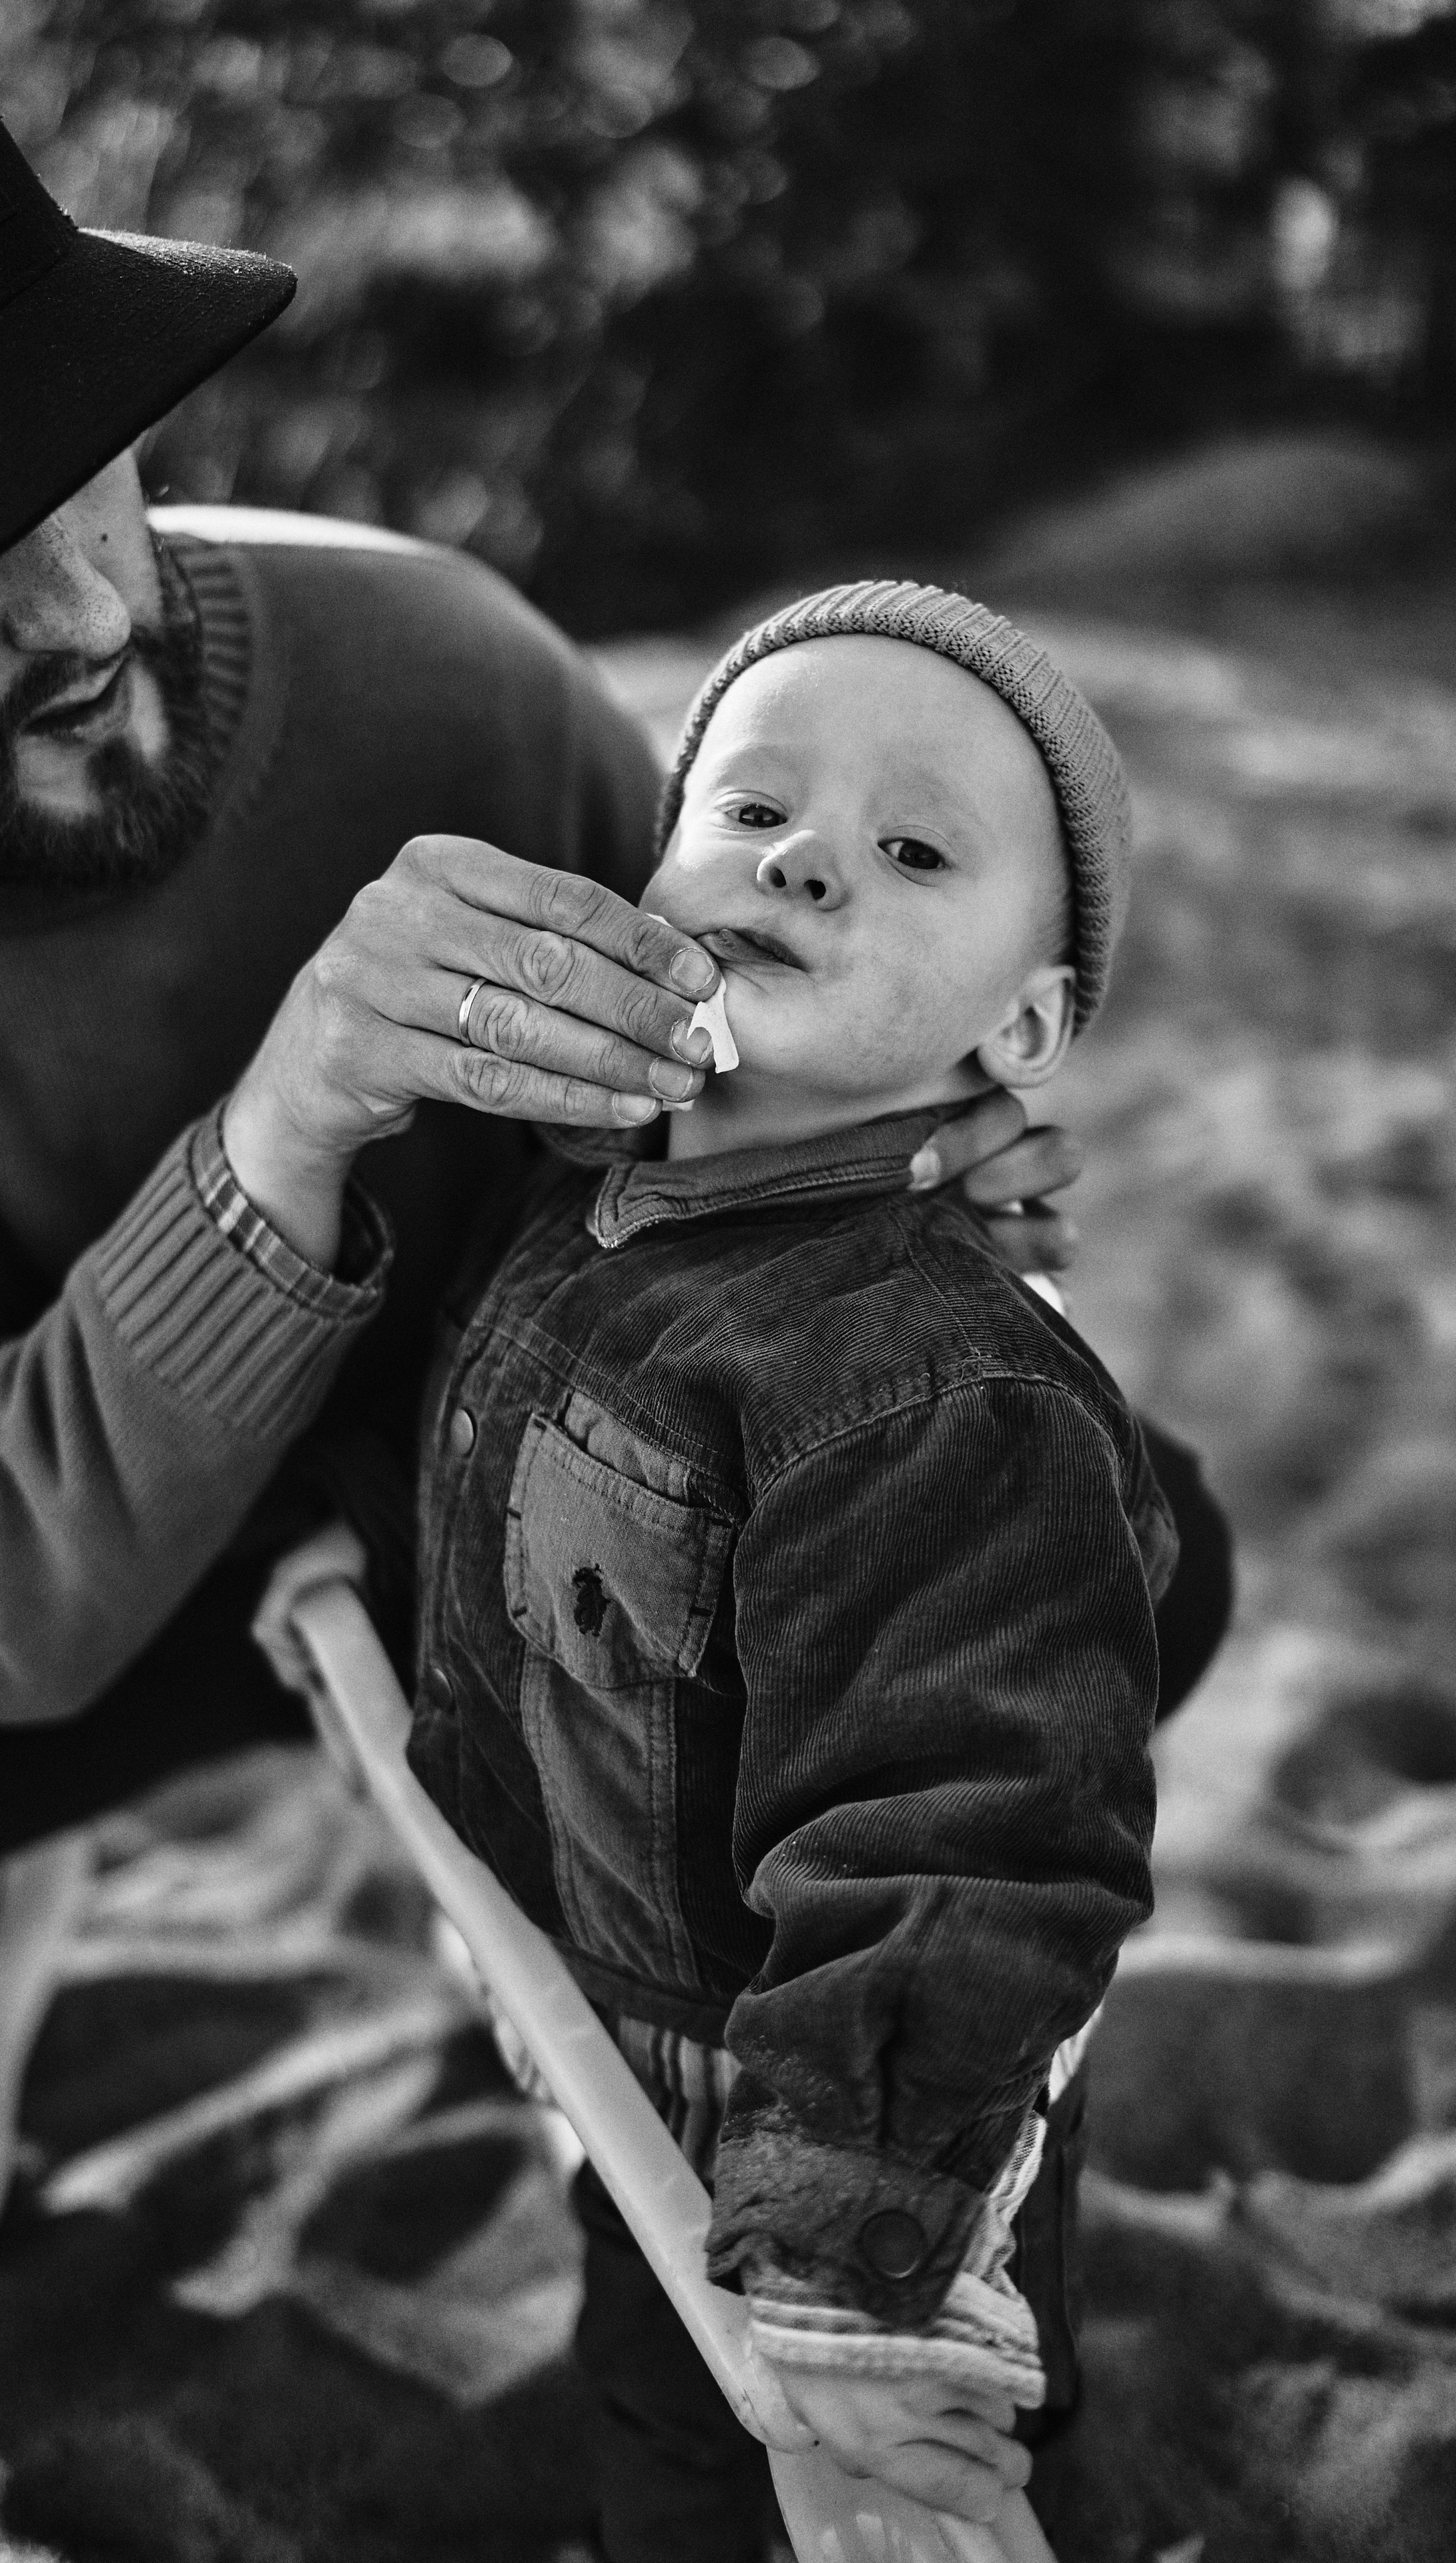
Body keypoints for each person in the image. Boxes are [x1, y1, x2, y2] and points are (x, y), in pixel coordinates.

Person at [0, 0, 1204, 2389]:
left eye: (81, 453)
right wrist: (287, 1123)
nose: (88, 605)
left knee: (1097, 1534)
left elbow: (763, 1061)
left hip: (494, 1465)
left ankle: (686, 1961)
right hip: (7, 1575)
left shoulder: (436, 673)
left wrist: (916, 1177)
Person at [392, 583, 1180, 2560]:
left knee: (841, 2460)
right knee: (644, 2375)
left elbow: (974, 1825)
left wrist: (848, 2236)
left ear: (1021, 1026)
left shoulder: (934, 1390)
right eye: (752, 813)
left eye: (912, 852)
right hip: (608, 2020)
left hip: (832, 2108)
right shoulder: (583, 1202)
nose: (808, 858)